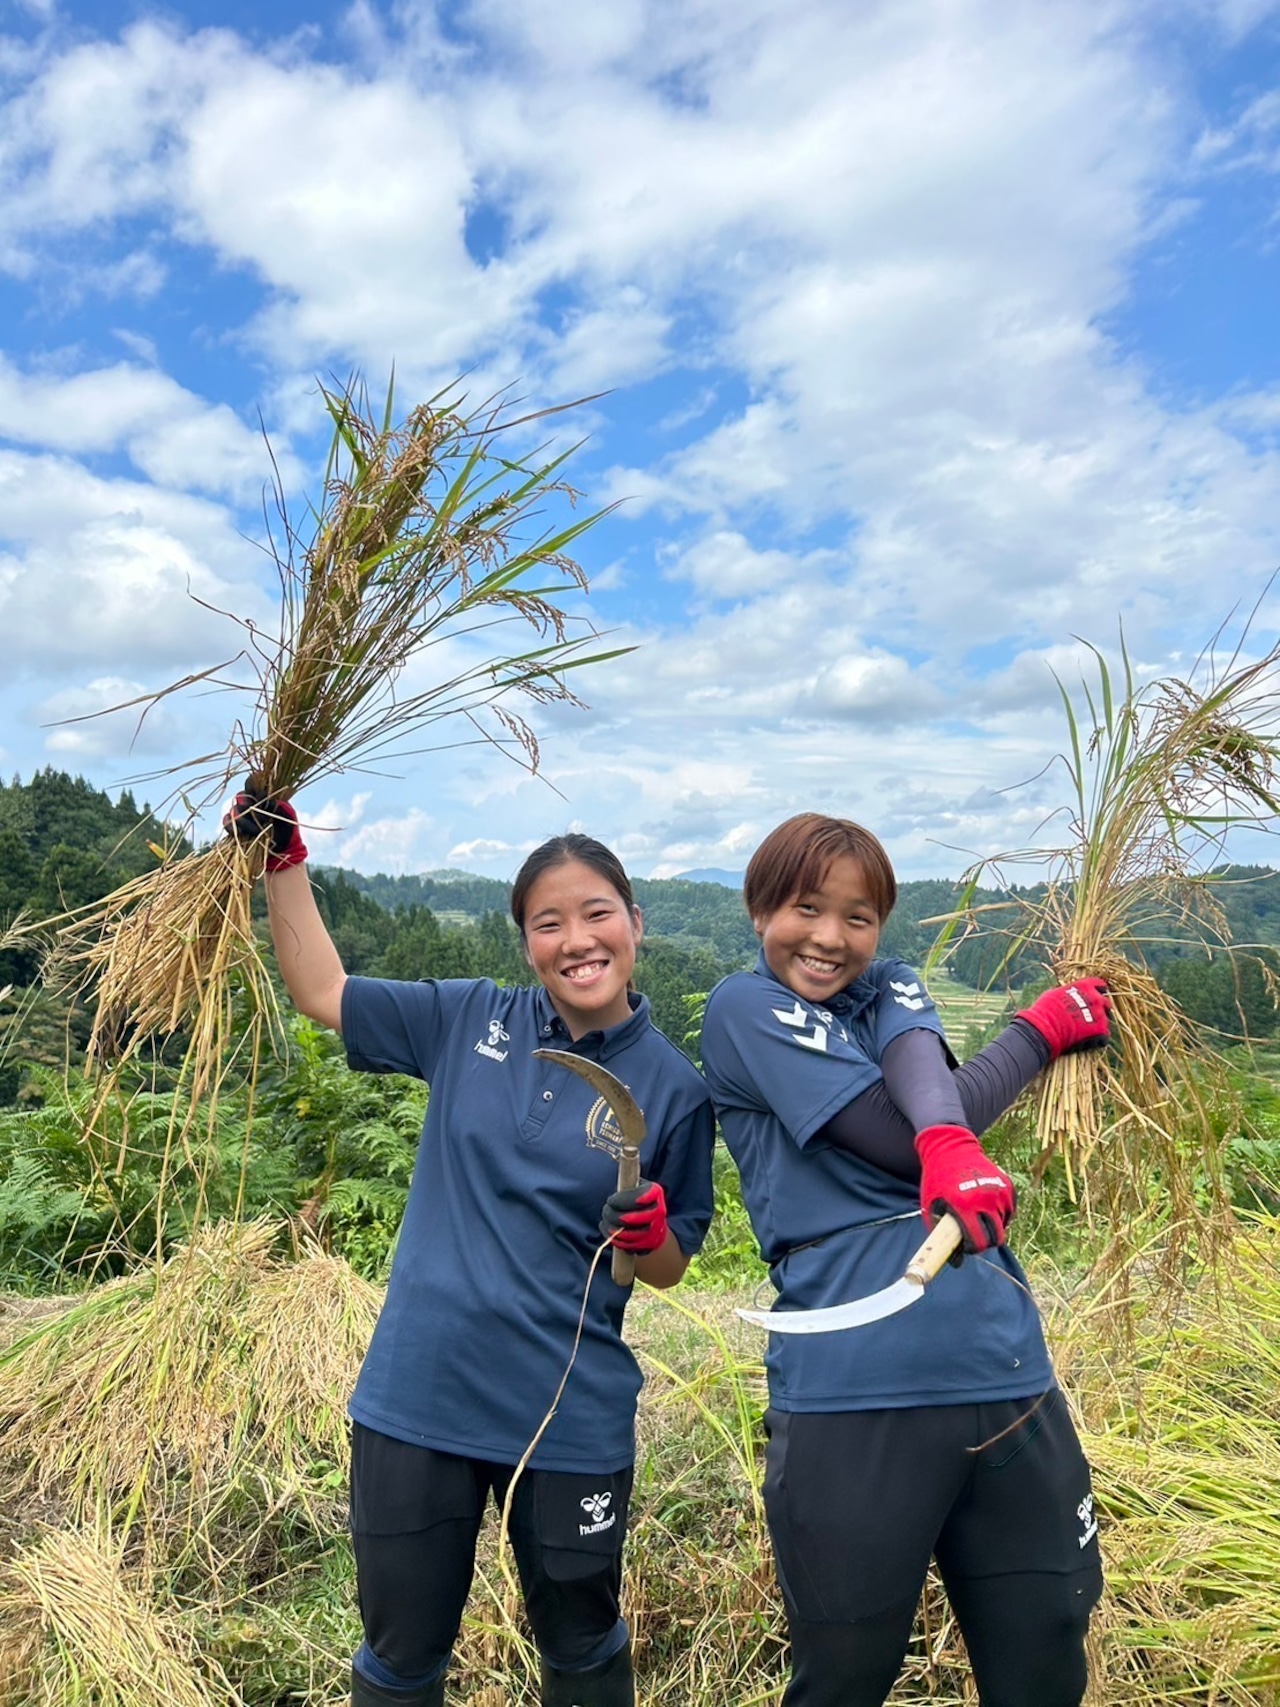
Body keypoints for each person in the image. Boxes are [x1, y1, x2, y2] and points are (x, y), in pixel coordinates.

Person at [227, 793, 715, 1707]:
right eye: (548, 921)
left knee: (582, 1647)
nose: (578, 938)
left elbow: (674, 1256)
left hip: (568, 1417)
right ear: (525, 940)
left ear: (636, 923)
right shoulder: (467, 1018)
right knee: (400, 1659)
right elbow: (321, 991)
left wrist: (648, 1238)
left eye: (598, 912)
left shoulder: (675, 1088)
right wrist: (284, 864)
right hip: (419, 1402)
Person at [699, 813, 1110, 1707]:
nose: (830, 936)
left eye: (858, 915)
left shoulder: (893, 988)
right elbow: (896, 1136)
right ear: (761, 906)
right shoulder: (744, 1007)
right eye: (807, 907)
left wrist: (950, 1133)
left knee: (1047, 1647)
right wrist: (1033, 1037)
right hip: (856, 1393)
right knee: (845, 1675)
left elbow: (934, 1092)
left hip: (1007, 1372)